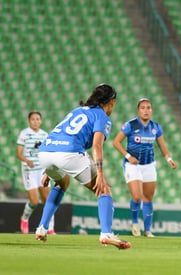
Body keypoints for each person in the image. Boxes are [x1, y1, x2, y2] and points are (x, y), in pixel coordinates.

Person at [35, 83, 131, 249]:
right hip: (68, 153)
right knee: (104, 189)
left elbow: (61, 133)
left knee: (62, 182)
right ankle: (106, 233)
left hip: (45, 152)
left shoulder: (77, 111)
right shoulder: (102, 117)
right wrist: (100, 174)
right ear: (112, 102)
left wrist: (49, 171)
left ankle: (42, 229)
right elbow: (97, 146)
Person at [113, 98, 177, 238]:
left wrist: (169, 158)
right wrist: (128, 156)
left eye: (148, 107)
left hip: (149, 165)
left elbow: (162, 145)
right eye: (143, 108)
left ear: (152, 110)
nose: (146, 110)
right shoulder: (130, 125)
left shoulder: (156, 127)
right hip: (133, 165)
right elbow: (116, 142)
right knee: (136, 196)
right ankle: (135, 223)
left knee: (148, 198)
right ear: (138, 110)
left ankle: (147, 230)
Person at [16, 111, 55, 235]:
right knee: (34, 201)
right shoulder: (24, 134)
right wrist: (27, 160)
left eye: (38, 119)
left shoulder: (44, 135)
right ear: (29, 121)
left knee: (48, 200)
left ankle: (50, 228)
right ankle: (24, 218)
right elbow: (19, 153)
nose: (35, 121)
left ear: (41, 121)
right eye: (33, 119)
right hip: (29, 171)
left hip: (42, 171)